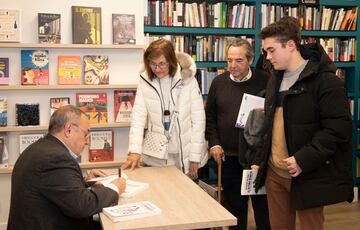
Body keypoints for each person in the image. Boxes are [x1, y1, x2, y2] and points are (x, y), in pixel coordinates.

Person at [253, 16, 353, 230]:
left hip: (308, 173)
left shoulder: (326, 81)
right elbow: (270, 124)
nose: (267, 57)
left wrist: (302, 159)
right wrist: (260, 159)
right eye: (266, 52)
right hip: (274, 173)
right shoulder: (275, 78)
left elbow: (337, 130)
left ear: (290, 45)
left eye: (271, 50)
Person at [8, 105, 126, 230]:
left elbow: (56, 187)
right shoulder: (56, 158)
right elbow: (83, 206)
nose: (87, 142)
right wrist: (115, 188)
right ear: (68, 129)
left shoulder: (41, 148)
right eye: (86, 134)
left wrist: (86, 181)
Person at [205, 38, 271, 230]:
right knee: (235, 208)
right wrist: (214, 143)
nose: (232, 65)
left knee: (263, 208)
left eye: (239, 60)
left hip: (256, 158)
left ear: (250, 60)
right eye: (229, 60)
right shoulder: (218, 82)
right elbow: (210, 118)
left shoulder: (265, 80)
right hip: (228, 157)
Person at [122, 39, 207, 179]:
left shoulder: (188, 80)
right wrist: (134, 151)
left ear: (171, 61)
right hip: (157, 153)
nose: (157, 69)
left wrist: (194, 157)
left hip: (185, 152)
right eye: (153, 64)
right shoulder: (145, 82)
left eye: (162, 64)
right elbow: (138, 117)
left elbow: (198, 120)